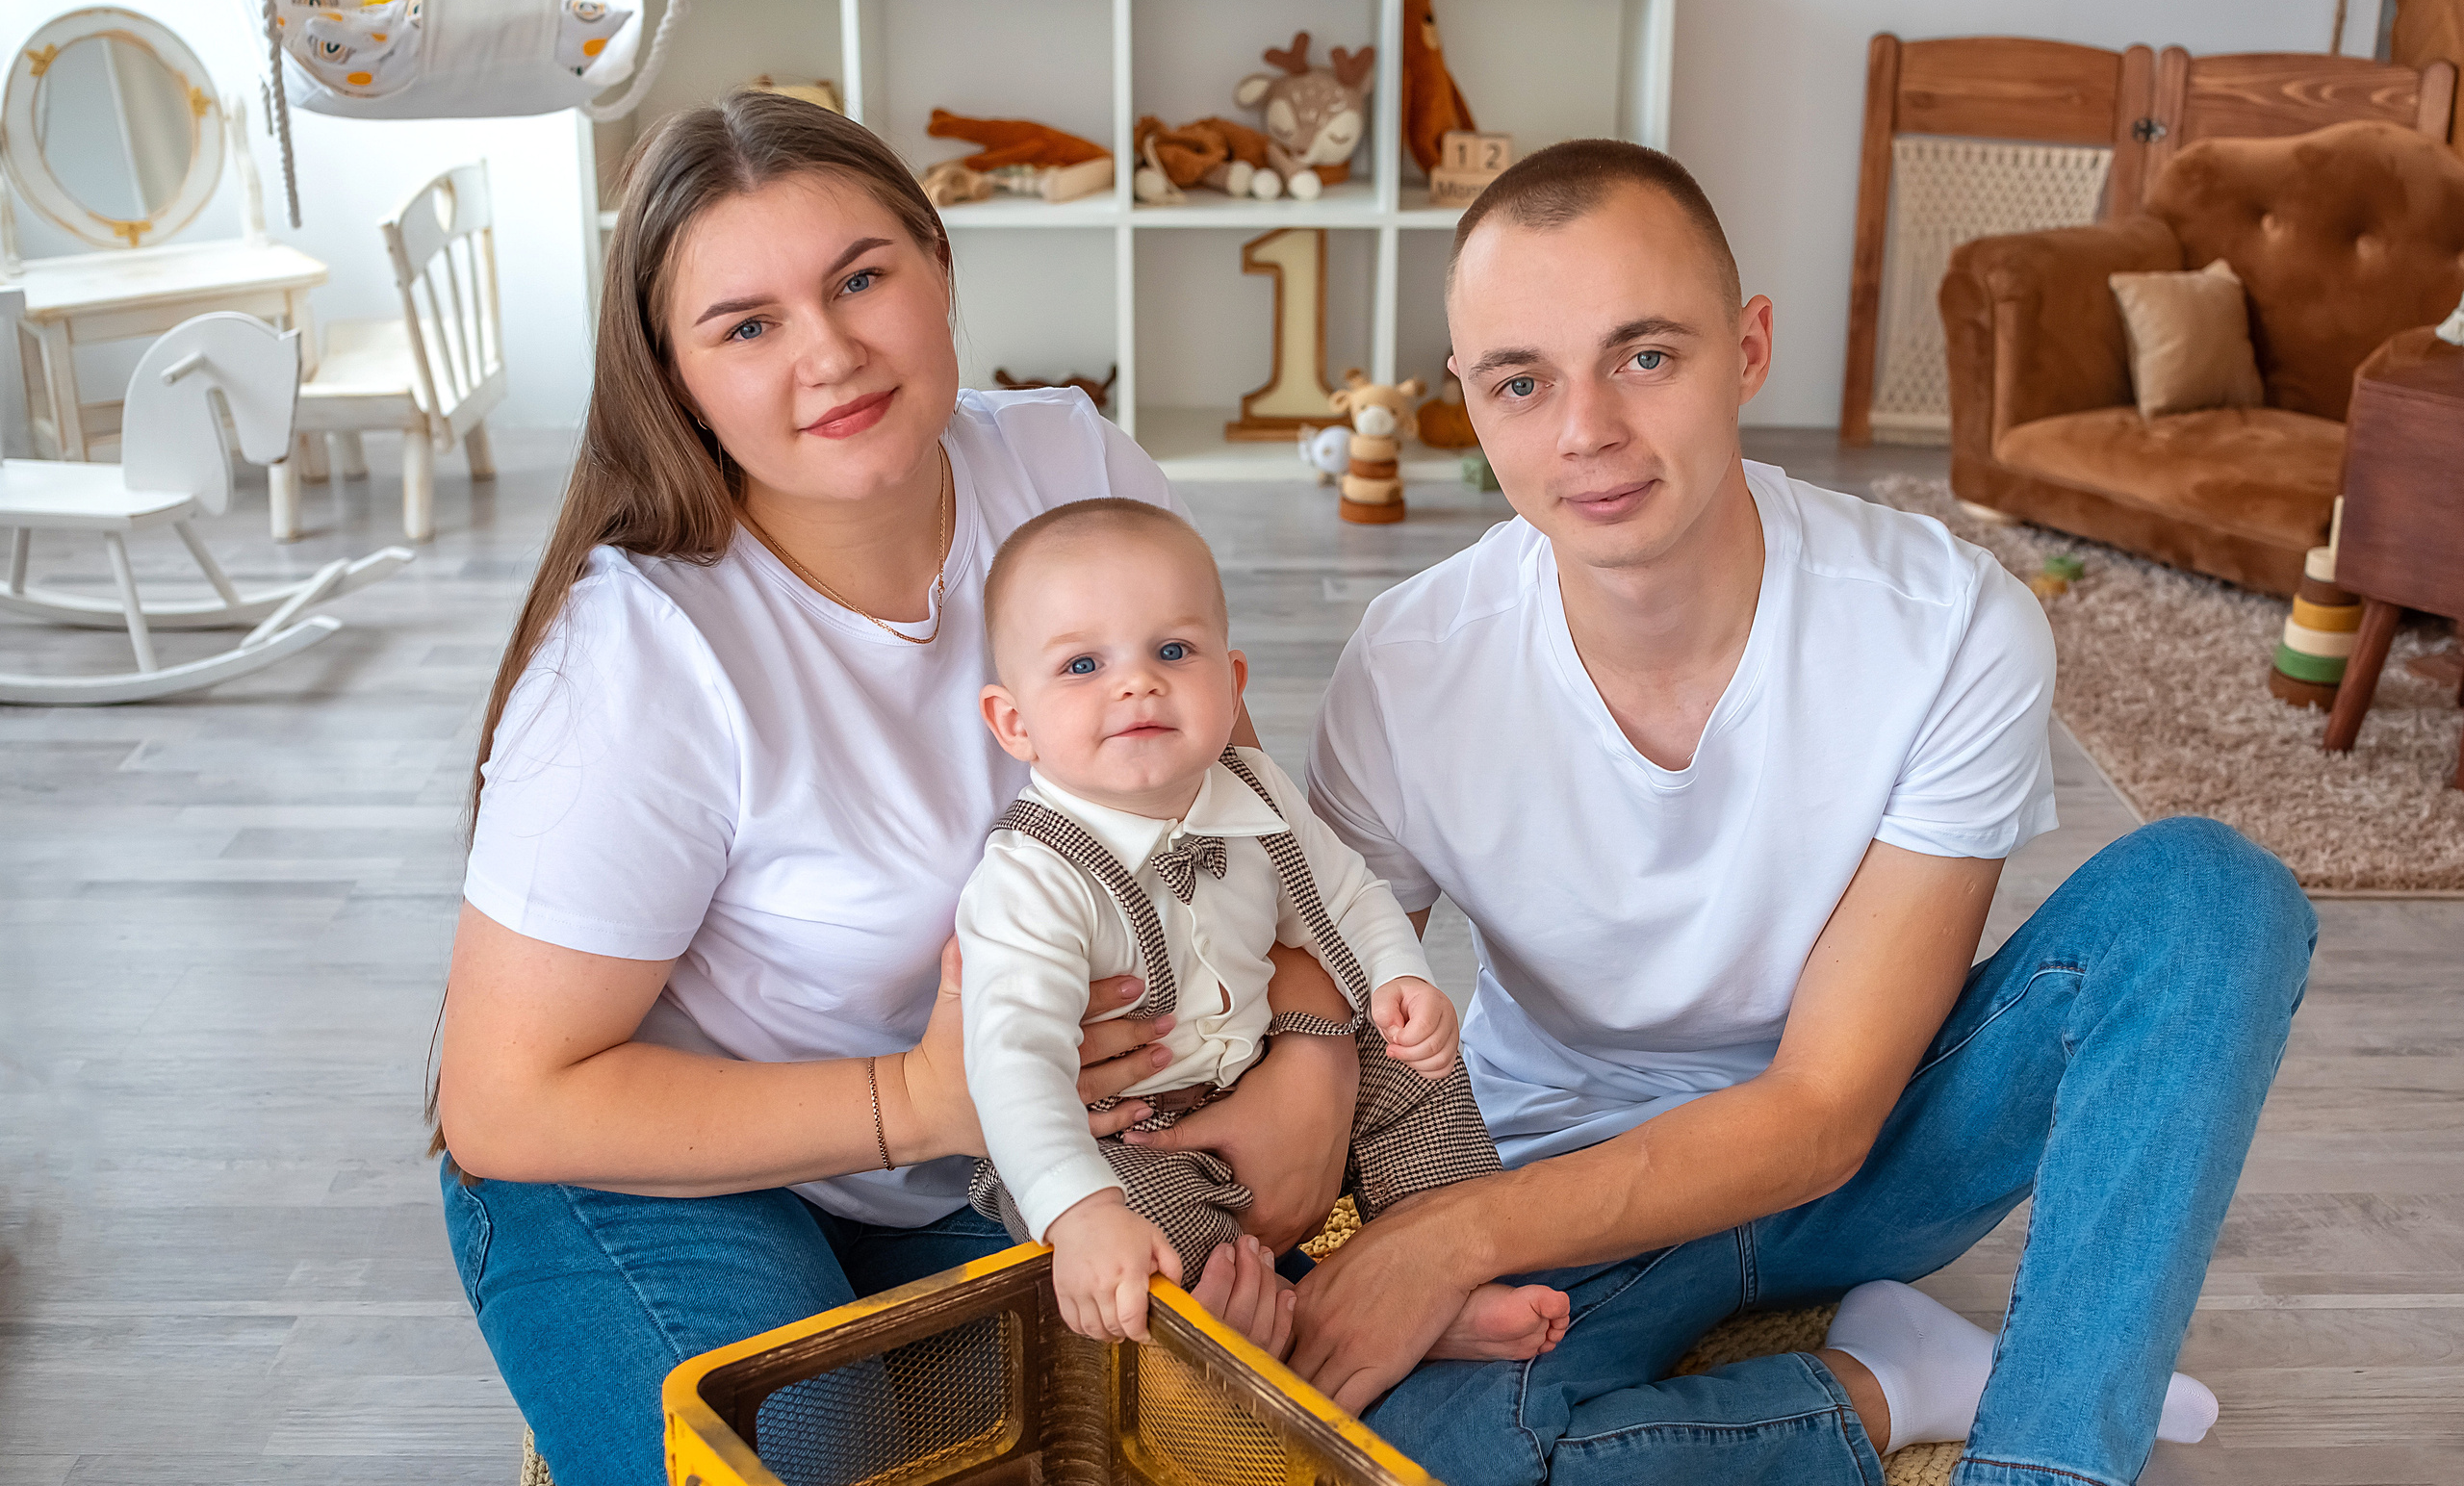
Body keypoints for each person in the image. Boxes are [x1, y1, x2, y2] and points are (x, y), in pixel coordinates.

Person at [1279, 140, 2315, 1486]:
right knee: (1425, 1447)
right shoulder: (1410, 664)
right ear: (1467, 404)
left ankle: (2043, 1464)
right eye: (1521, 381)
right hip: (1573, 1169)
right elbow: (1331, 1027)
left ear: (1749, 347)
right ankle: (1892, 1381)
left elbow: (1826, 1107)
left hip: (1875, 1148)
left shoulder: (1952, 624)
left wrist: (1458, 1237)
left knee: (2211, 899)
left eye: (1645, 356)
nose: (1585, 429)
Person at [430, 92, 1350, 1486]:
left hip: (1003, 1150)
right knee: (814, 1458)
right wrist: (928, 1099)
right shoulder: (634, 658)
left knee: (1237, 1413)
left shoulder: (1066, 463)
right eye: (747, 325)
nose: (832, 353)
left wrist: (1311, 1059)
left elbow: (1231, 791)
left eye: (862, 278)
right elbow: (504, 1099)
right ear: (677, 377)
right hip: (652, 1163)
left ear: (939, 269)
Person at [954, 498, 1570, 1356]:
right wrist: (1081, 1213)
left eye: (1174, 651)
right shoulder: (1032, 878)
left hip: (1258, 1062)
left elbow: (1348, 892)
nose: (1137, 683)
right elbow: (1010, 1063)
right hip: (1131, 1136)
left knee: (1421, 1080)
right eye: (1082, 665)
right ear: (1014, 722)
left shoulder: (1255, 790)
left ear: (1232, 681)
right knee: (1149, 1259)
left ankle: (1442, 1273)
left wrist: (1400, 979)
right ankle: (1286, 1319)